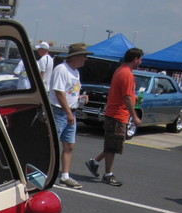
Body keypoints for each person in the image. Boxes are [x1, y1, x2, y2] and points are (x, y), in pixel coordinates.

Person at [86, 48, 144, 186]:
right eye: (140, 59)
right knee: (112, 146)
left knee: (113, 144)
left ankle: (94, 162)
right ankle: (108, 174)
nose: (140, 63)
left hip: (116, 114)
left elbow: (126, 95)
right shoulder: (127, 74)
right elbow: (126, 98)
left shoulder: (121, 70)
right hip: (117, 115)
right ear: (135, 59)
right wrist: (135, 117)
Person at [48, 42, 92, 189]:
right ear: (75, 57)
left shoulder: (75, 72)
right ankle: (46, 172)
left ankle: (65, 176)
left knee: (69, 145)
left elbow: (69, 91)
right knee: (52, 144)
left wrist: (79, 98)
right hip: (60, 111)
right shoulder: (62, 69)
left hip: (70, 111)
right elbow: (59, 92)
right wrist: (68, 112)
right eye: (84, 56)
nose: (85, 59)